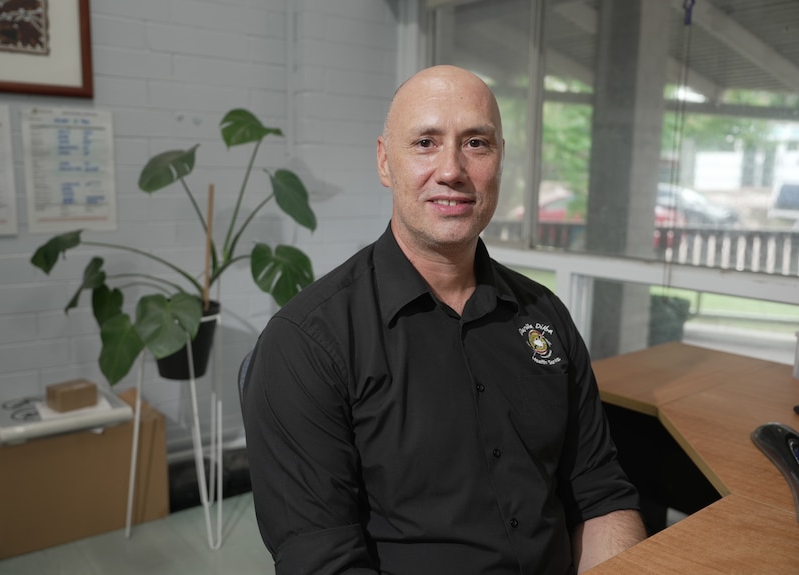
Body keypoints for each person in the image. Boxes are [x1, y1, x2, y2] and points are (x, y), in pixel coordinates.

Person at [243, 64, 647, 575]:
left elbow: (600, 495)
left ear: (500, 160)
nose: (452, 170)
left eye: (476, 143)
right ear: (385, 161)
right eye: (425, 143)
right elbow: (322, 561)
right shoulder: (306, 343)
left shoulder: (545, 315)